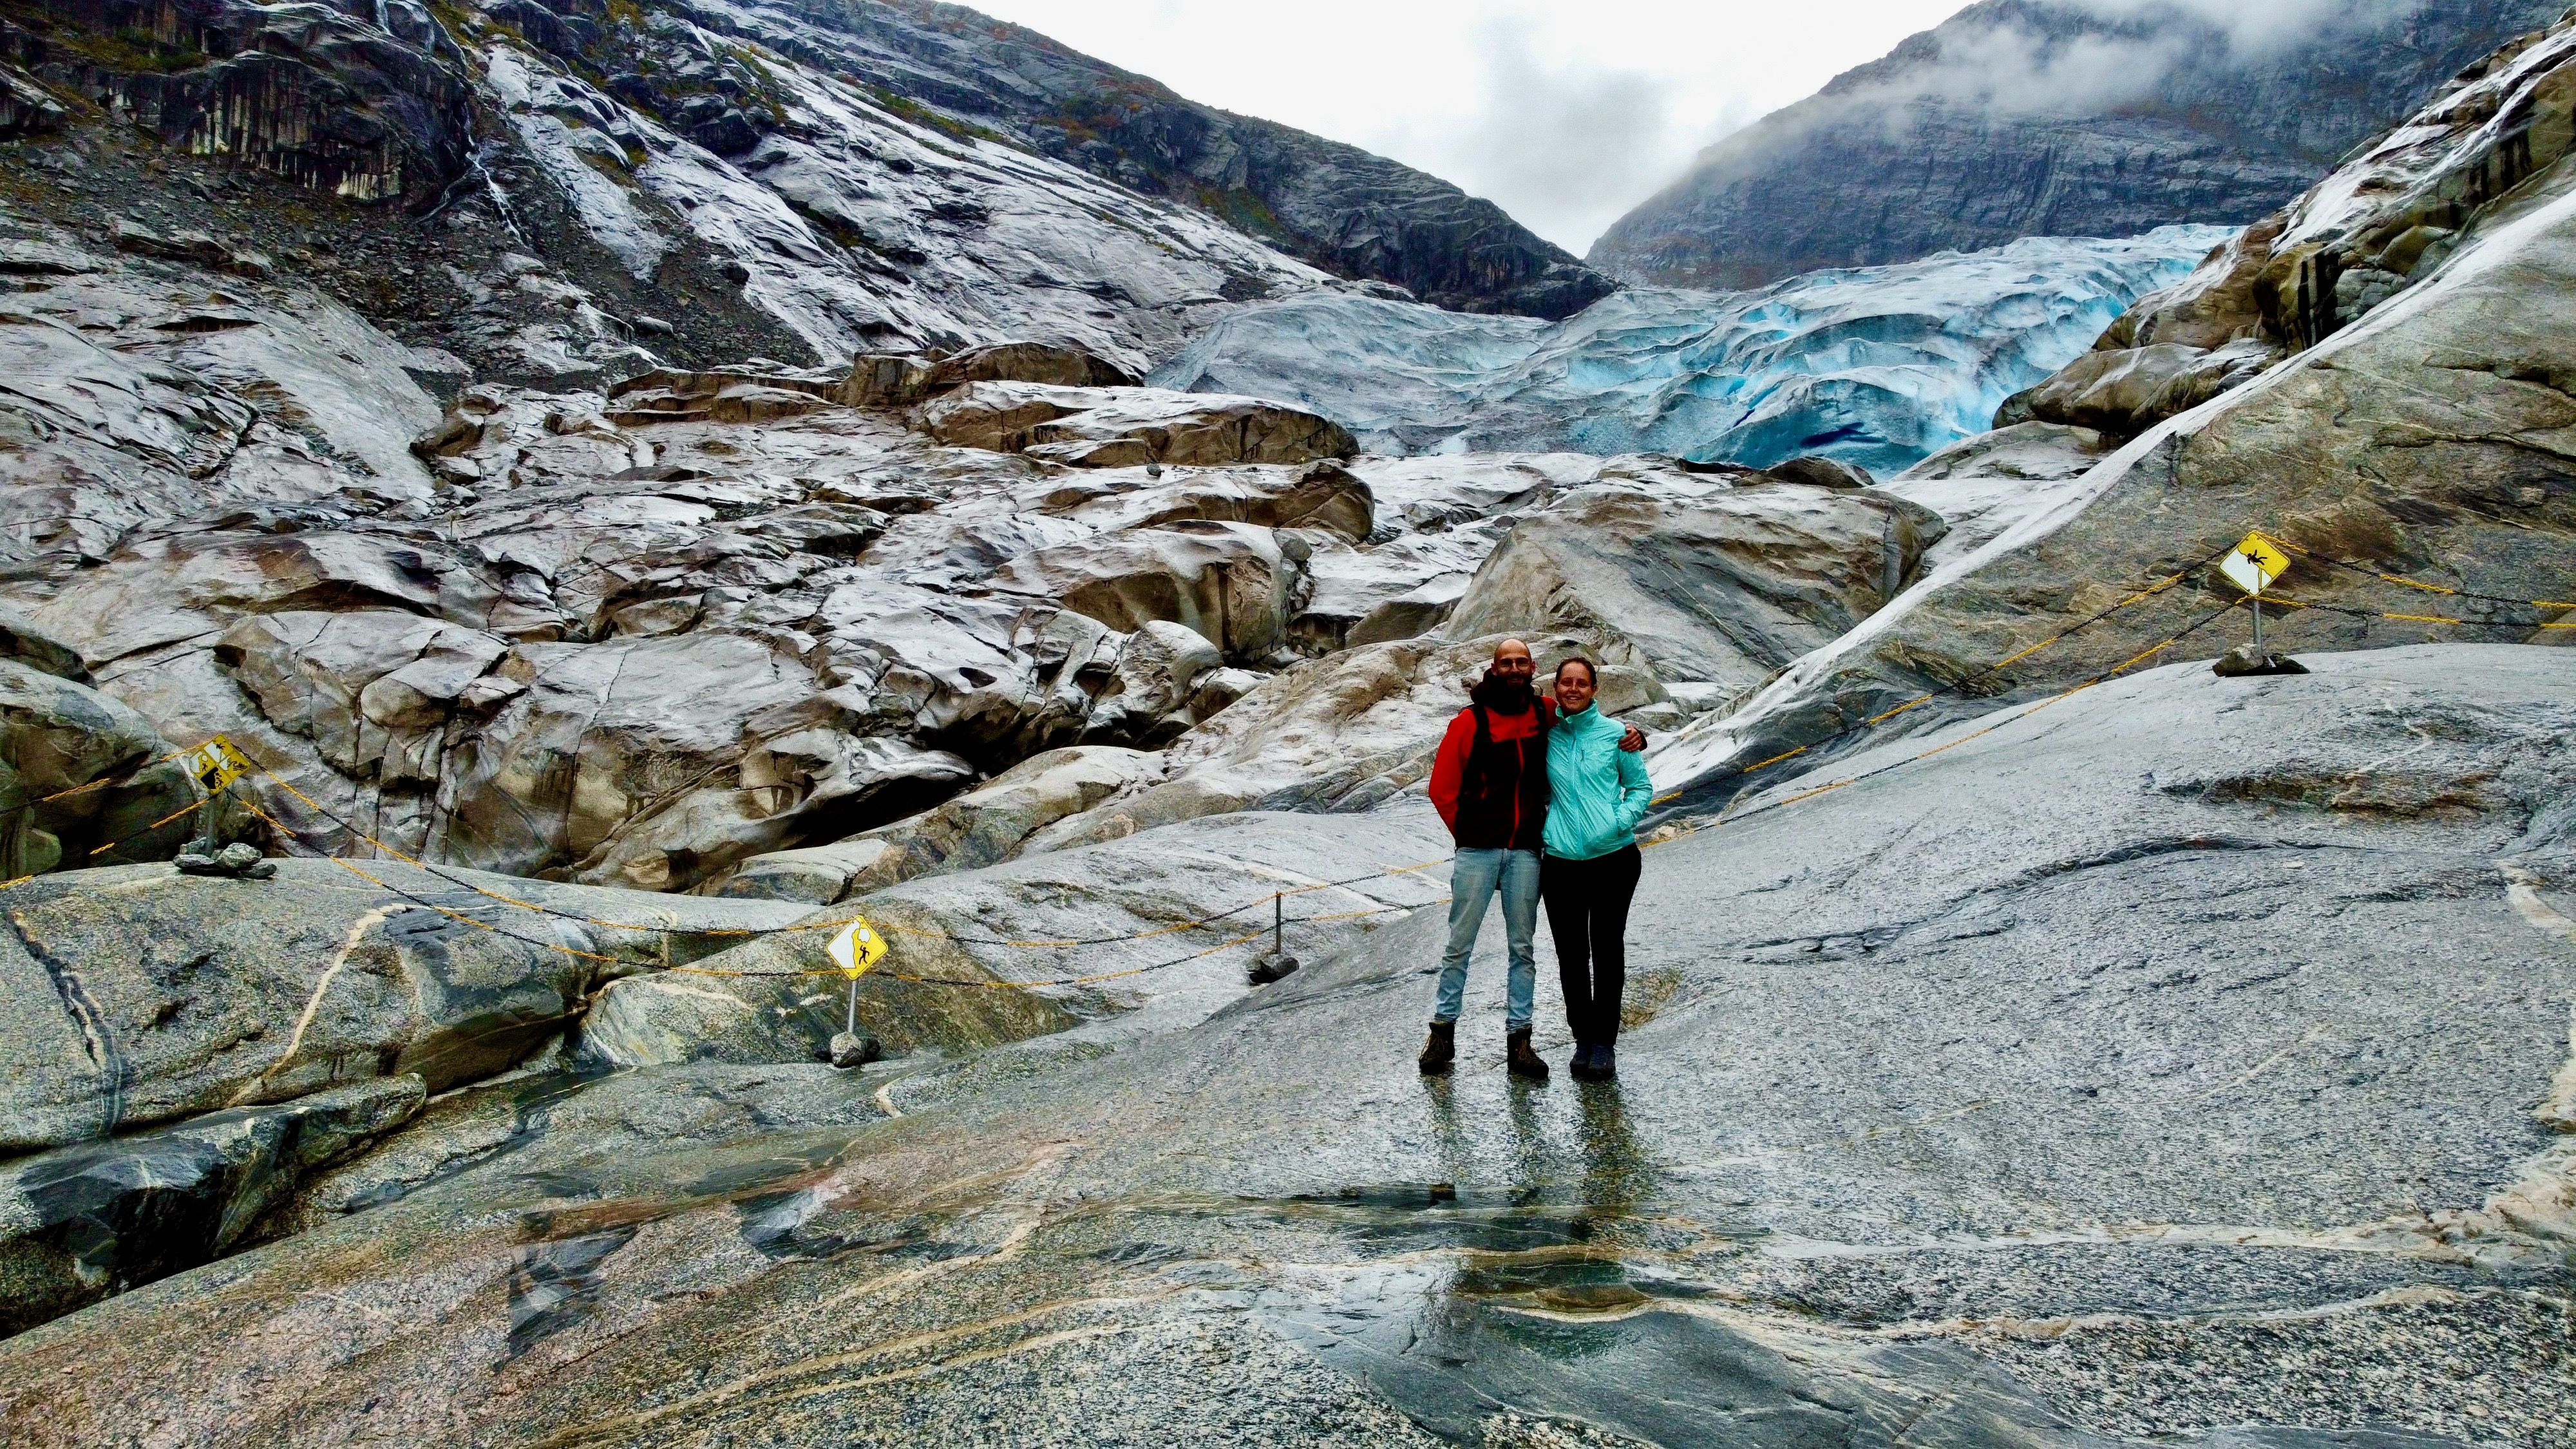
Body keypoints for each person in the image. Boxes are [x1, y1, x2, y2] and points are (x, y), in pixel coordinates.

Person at [1420, 639, 1643, 1082]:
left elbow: (1602, 737)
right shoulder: (1471, 721)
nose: (1516, 668)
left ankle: (1522, 1042)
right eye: (1508, 663)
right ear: (1495, 668)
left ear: (1533, 668)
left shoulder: (1545, 714)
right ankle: (1442, 1033)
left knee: (1525, 949)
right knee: (1460, 946)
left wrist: (1635, 737)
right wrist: (1468, 837)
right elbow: (1441, 789)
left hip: (1529, 851)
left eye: (1522, 662)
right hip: (1487, 851)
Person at [1540, 656, 1651, 1082]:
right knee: (1571, 955)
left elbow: (1639, 787)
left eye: (1581, 683)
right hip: (1562, 864)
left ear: (1594, 689)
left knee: (1607, 950)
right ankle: (1582, 1038)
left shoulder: (1616, 735)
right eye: (1566, 682)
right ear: (1555, 688)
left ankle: (1604, 1043)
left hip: (1614, 859)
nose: (1573, 689)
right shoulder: (1545, 734)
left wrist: (1617, 822)